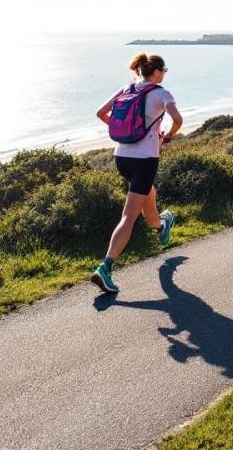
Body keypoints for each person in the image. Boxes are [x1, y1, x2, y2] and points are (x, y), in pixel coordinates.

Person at [91, 53, 183, 294]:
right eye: (164, 70)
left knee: (147, 193)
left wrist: (123, 130)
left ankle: (161, 226)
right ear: (157, 72)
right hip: (145, 160)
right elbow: (178, 119)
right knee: (129, 215)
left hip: (121, 157)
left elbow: (101, 113)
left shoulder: (126, 89)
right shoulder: (162, 93)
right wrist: (168, 136)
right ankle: (106, 267)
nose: (164, 75)